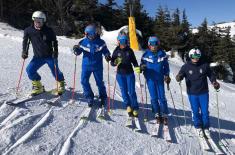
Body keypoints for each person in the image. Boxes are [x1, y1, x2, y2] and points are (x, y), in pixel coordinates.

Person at [175, 48, 220, 137]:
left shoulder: (204, 65)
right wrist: (179, 77)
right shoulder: (186, 66)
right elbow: (180, 74)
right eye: (193, 56)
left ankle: (206, 127)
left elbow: (211, 75)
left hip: (203, 92)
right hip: (192, 93)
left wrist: (214, 82)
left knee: (205, 112)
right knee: (195, 111)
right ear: (190, 56)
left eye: (197, 56)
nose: (196, 58)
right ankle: (198, 126)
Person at [22, 11, 65, 96]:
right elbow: (26, 42)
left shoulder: (49, 30)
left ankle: (61, 84)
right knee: (29, 70)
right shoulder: (28, 30)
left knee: (55, 71)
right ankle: (38, 86)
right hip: (38, 57)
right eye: (36, 20)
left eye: (40, 21)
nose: (38, 23)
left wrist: (55, 52)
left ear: (43, 21)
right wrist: (25, 51)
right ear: (33, 20)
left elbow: (54, 42)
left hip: (50, 56)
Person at [73, 24, 111, 107]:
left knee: (99, 82)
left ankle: (103, 97)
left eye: (90, 34)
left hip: (97, 66)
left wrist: (107, 55)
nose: (88, 36)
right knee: (84, 81)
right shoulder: (83, 42)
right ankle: (89, 96)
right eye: (87, 34)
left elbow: (105, 51)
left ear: (94, 33)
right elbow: (78, 52)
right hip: (86, 66)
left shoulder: (101, 42)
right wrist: (76, 49)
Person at [140, 36, 171, 124]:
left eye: (155, 44)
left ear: (158, 44)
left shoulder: (162, 54)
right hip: (150, 80)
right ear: (149, 45)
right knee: (154, 97)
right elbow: (141, 65)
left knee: (162, 97)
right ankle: (157, 113)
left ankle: (164, 113)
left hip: (160, 79)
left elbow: (166, 66)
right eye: (152, 44)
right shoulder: (145, 54)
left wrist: (167, 75)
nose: (154, 46)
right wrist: (142, 67)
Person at [110, 33, 140, 117]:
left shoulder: (129, 50)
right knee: (124, 91)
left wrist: (137, 67)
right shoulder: (116, 51)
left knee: (131, 91)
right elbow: (112, 62)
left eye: (125, 42)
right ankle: (128, 106)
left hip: (129, 74)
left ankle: (135, 107)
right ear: (118, 42)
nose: (123, 44)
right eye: (122, 42)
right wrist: (114, 62)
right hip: (120, 74)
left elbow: (134, 61)